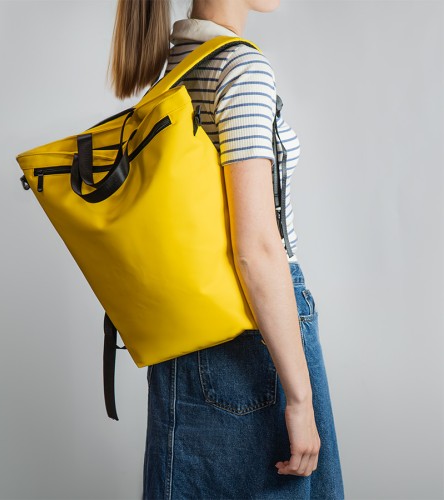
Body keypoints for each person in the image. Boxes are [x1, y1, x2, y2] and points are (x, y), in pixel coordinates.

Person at [108, 1, 345, 498]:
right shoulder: (240, 68)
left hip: (188, 332)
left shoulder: (179, 64)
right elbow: (256, 248)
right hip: (254, 332)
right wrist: (300, 399)